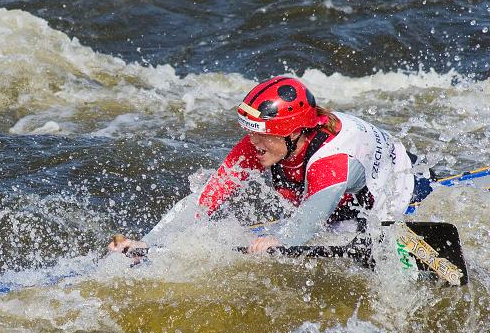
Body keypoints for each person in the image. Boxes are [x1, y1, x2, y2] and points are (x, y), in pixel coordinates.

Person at [110, 76, 432, 257]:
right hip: (335, 205)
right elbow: (204, 201)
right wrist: (149, 242)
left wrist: (281, 242)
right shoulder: (263, 143)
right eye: (250, 133)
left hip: (404, 191)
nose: (254, 143)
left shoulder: (331, 162)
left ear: (294, 133)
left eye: (263, 135)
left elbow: (304, 227)